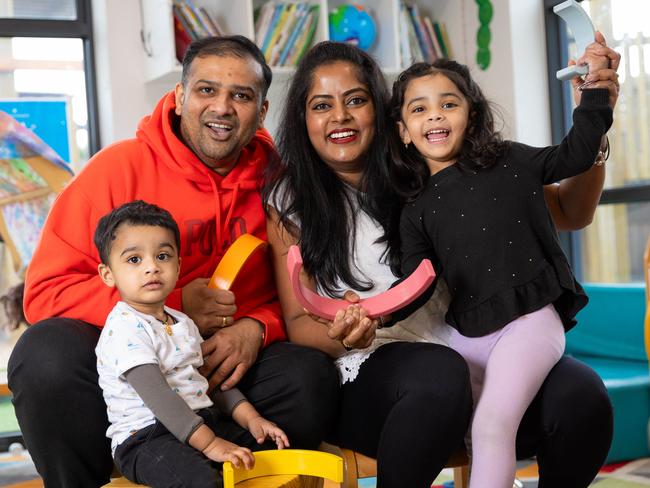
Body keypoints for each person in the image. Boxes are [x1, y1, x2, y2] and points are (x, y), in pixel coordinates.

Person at [264, 38, 620, 488]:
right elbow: (300, 322)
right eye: (321, 105)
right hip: (372, 370)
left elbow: (571, 212)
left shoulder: (433, 170)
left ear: (385, 115)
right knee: (439, 375)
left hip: (468, 343)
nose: (340, 116)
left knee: (581, 397)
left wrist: (595, 130)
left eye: (356, 100)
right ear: (303, 118)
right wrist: (350, 333)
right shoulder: (290, 202)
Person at [8, 35, 338, 487]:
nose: (221, 107)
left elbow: (299, 296)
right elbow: (45, 294)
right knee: (43, 357)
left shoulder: (281, 185)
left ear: (261, 111)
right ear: (180, 97)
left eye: (241, 95)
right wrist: (171, 305)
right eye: (206, 90)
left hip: (217, 376)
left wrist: (257, 328)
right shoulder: (114, 170)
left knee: (309, 377)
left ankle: (216, 472)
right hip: (123, 371)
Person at [391, 57, 612, 488]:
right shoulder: (414, 209)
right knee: (476, 433)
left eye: (448, 104)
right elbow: (413, 285)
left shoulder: (510, 161)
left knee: (493, 426)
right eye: (418, 109)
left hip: (531, 322)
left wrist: (594, 97)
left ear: (471, 116)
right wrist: (370, 314)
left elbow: (578, 153)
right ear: (402, 130)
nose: (434, 114)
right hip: (467, 336)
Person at [94, 200, 288, 487]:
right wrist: (210, 445)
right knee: (200, 481)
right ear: (108, 274)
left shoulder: (182, 322)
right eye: (134, 260)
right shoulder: (124, 327)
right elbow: (160, 398)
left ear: (178, 265)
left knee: (268, 458)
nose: (152, 268)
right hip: (147, 438)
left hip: (199, 422)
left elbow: (207, 380)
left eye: (162, 256)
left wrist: (252, 419)